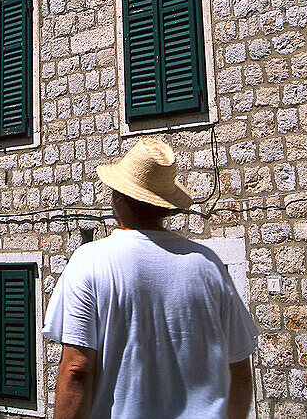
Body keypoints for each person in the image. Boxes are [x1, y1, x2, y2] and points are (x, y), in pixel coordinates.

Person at [43, 139, 257, 419]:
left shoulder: (90, 261)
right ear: (166, 206)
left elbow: (77, 370)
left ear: (118, 198)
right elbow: (239, 371)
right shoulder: (209, 265)